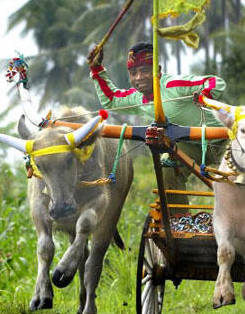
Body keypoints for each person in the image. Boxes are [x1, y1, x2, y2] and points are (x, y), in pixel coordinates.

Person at [87, 43, 226, 212]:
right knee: (167, 165)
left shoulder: (173, 85)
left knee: (236, 180)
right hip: (188, 147)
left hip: (222, 142)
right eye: (133, 73)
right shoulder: (136, 98)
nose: (139, 78)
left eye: (145, 71)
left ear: (158, 70)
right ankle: (179, 220)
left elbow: (214, 82)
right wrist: (96, 69)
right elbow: (112, 100)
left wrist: (205, 96)